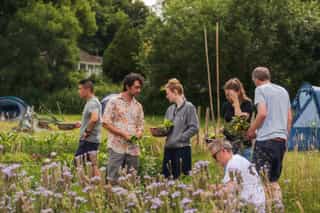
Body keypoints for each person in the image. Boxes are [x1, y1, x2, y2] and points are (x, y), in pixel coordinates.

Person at [246, 67, 292, 210]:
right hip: (281, 141)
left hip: (265, 141)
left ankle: (265, 209)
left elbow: (262, 114)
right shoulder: (283, 91)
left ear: (256, 80)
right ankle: (278, 208)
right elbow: (289, 117)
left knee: (259, 179)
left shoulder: (260, 90)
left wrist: (251, 130)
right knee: (273, 180)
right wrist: (285, 137)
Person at [102, 73, 144, 184]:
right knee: (113, 179)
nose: (139, 90)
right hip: (117, 147)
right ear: (127, 86)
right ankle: (112, 200)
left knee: (131, 180)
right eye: (136, 87)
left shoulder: (138, 106)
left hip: (133, 149)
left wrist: (139, 133)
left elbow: (140, 125)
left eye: (140, 87)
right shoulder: (114, 102)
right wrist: (122, 134)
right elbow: (105, 123)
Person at [208, 139, 266, 212]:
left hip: (249, 207)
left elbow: (229, 190)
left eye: (214, 156)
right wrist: (215, 187)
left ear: (224, 151)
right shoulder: (237, 159)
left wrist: (207, 195)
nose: (216, 161)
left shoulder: (233, 164)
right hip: (254, 204)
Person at [162, 79, 199, 179]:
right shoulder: (169, 110)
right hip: (168, 149)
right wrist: (161, 131)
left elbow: (194, 127)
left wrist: (181, 137)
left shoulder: (189, 107)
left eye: (168, 93)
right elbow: (167, 128)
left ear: (175, 92)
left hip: (182, 150)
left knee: (182, 179)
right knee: (167, 179)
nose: (167, 96)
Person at [74, 79, 102, 177]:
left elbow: (94, 118)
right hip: (92, 140)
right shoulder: (92, 102)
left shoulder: (92, 103)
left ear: (88, 89)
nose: (79, 91)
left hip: (88, 140)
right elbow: (93, 119)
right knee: (92, 164)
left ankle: (85, 185)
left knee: (78, 162)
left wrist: (86, 131)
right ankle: (98, 186)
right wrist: (82, 124)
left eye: (80, 89)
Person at [222, 78, 253, 161]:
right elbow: (227, 122)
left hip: (243, 145)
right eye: (226, 95)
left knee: (245, 171)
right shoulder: (226, 105)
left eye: (230, 95)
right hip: (229, 145)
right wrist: (224, 129)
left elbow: (240, 121)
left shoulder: (247, 104)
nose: (228, 97)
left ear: (238, 92)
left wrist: (236, 102)